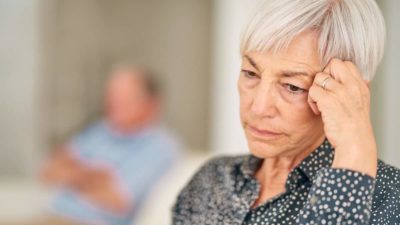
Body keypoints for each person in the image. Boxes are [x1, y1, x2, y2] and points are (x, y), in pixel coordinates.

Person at [172, 0, 400, 224]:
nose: (259, 108)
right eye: (251, 73)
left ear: (353, 94)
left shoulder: (388, 198)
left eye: (293, 87)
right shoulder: (211, 180)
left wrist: (355, 146)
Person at [41, 65, 179, 225]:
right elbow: (48, 171)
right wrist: (96, 178)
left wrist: (74, 172)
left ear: (151, 103)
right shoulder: (100, 131)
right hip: (53, 216)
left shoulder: (160, 147)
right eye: (111, 95)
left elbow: (118, 200)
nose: (113, 102)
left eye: (125, 97)